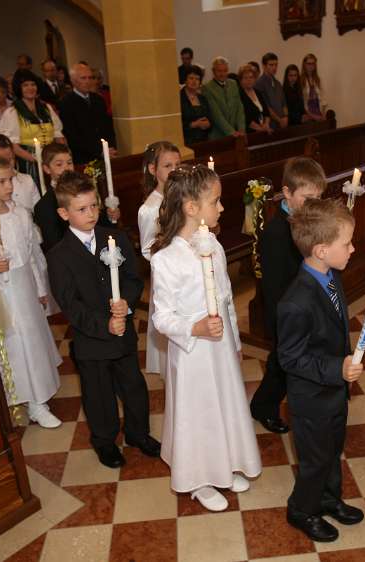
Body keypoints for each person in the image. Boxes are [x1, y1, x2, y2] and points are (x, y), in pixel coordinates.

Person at [151, 164, 261, 511]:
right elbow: (161, 317)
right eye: (216, 201)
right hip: (193, 351)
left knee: (224, 403)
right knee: (198, 411)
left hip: (220, 346)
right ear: (191, 208)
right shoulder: (165, 260)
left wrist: (236, 341)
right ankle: (198, 478)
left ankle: (224, 464)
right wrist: (195, 328)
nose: (222, 208)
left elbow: (226, 297)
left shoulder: (213, 244)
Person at [47, 171, 161, 466]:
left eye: (94, 206)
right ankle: (105, 440)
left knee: (133, 386)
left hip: (122, 333)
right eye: (81, 209)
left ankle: (138, 432)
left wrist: (127, 302)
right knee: (99, 396)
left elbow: (134, 279)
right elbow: (70, 305)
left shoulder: (115, 237)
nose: (91, 213)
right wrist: (103, 323)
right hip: (91, 340)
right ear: (63, 213)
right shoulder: (59, 256)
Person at [277, 198, 365, 542]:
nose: (353, 248)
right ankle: (302, 509)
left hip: (334, 393)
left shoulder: (329, 277)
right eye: (347, 243)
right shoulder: (295, 302)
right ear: (322, 249)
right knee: (314, 460)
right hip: (311, 399)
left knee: (331, 451)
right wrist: (336, 368)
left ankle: (328, 499)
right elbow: (290, 358)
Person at [0, 155, 62, 427]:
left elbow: (32, 254)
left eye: (10, 180)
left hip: (25, 288)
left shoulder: (20, 214)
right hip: (2, 294)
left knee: (33, 340)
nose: (10, 186)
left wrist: (41, 287)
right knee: (14, 343)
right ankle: (23, 397)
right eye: (2, 181)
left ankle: (38, 397)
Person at [250, 157, 325, 434]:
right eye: (307, 197)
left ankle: (266, 405)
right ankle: (263, 408)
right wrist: (285, 319)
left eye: (318, 197)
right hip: (285, 311)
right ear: (287, 192)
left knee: (284, 363)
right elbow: (274, 284)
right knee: (282, 365)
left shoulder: (305, 219)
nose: (314, 203)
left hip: (302, 307)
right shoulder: (277, 232)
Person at [138, 141, 181, 378]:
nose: (174, 170)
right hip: (168, 275)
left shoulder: (182, 196)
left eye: (177, 164)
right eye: (167, 166)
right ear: (153, 170)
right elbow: (147, 249)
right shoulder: (150, 209)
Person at [0, 69, 65, 190]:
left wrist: (64, 155)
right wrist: (37, 160)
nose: (30, 88)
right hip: (28, 162)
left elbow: (58, 134)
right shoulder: (13, 112)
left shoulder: (46, 109)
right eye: (25, 85)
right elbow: (13, 145)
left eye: (33, 84)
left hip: (52, 159)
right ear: (19, 88)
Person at [58, 63, 116, 165]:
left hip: (106, 154)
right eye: (83, 78)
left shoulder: (98, 100)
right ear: (73, 81)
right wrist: (99, 152)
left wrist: (110, 148)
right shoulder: (66, 103)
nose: (88, 81)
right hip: (83, 158)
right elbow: (72, 135)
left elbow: (107, 127)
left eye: (90, 78)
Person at [0, 134, 39, 211]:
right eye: (2, 161)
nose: (8, 164)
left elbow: (38, 209)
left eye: (10, 158)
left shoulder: (27, 180)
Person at [202, 57, 246, 139]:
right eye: (219, 71)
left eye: (225, 70)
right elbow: (216, 114)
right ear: (213, 71)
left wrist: (241, 128)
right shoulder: (207, 88)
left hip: (237, 133)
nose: (222, 74)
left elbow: (239, 108)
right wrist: (231, 132)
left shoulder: (233, 83)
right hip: (218, 135)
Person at [179, 67, 212, 145]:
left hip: (204, 141)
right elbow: (175, 123)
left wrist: (208, 123)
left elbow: (210, 118)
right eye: (191, 78)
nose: (194, 81)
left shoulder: (203, 98)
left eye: (197, 79)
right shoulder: (178, 98)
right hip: (186, 142)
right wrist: (194, 124)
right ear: (185, 80)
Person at [255, 53, 288, 129]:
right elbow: (266, 107)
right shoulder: (259, 84)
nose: (274, 67)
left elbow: (284, 103)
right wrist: (279, 120)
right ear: (264, 66)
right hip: (270, 125)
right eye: (271, 65)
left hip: (282, 123)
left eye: (276, 65)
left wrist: (286, 117)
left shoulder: (278, 83)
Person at [238, 65, 271, 134]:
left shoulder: (258, 92)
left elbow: (266, 112)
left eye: (251, 77)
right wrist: (260, 129)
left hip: (264, 130)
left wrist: (266, 124)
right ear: (241, 80)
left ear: (255, 79)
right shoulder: (239, 95)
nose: (249, 80)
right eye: (245, 78)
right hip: (250, 133)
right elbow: (246, 119)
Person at [300, 54, 328, 122]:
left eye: (313, 64)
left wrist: (323, 114)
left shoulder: (318, 79)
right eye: (309, 63)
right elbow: (301, 102)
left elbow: (323, 98)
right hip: (308, 114)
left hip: (319, 112)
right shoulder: (300, 80)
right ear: (304, 65)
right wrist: (312, 116)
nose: (311, 66)